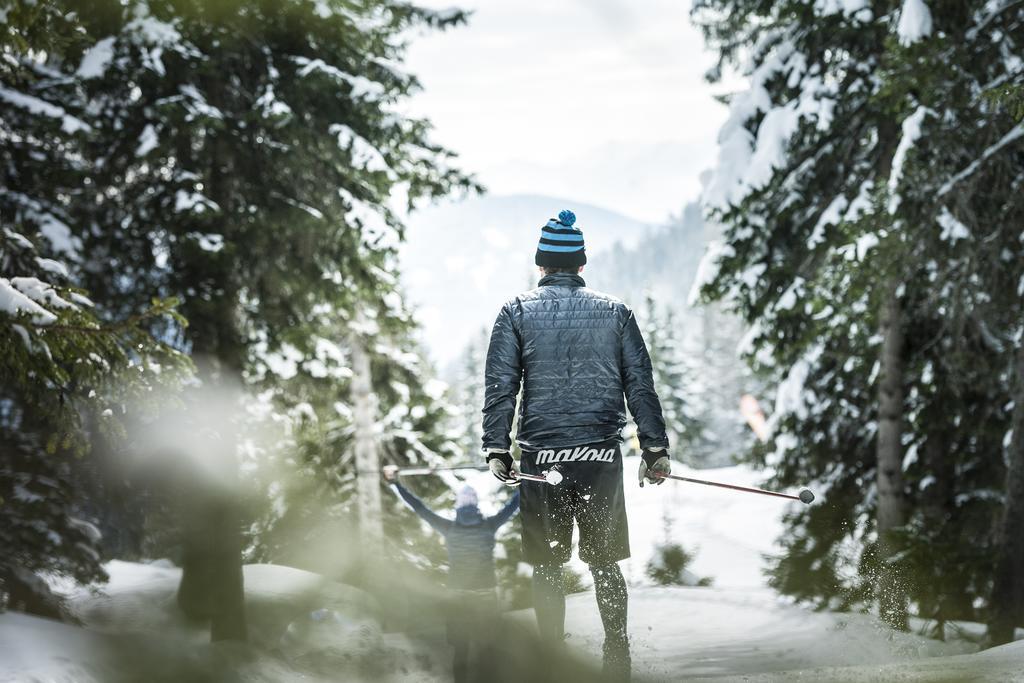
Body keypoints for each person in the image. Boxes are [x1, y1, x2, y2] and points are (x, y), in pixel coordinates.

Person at [481, 209, 672, 682]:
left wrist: (496, 448)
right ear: (581, 266)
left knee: (547, 565)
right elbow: (640, 386)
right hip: (600, 455)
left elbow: (501, 387)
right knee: (604, 562)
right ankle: (617, 658)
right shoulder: (616, 312)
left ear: (541, 265)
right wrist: (654, 449)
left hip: (541, 457)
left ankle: (550, 662)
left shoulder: (516, 312)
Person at [383, 466, 519, 683]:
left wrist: (394, 482)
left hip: (458, 595)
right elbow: (515, 504)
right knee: (489, 648)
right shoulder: (490, 525)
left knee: (461, 649)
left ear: (458, 505)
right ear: (475, 504)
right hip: (485, 593)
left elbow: (418, 508)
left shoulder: (448, 528)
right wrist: (519, 478)